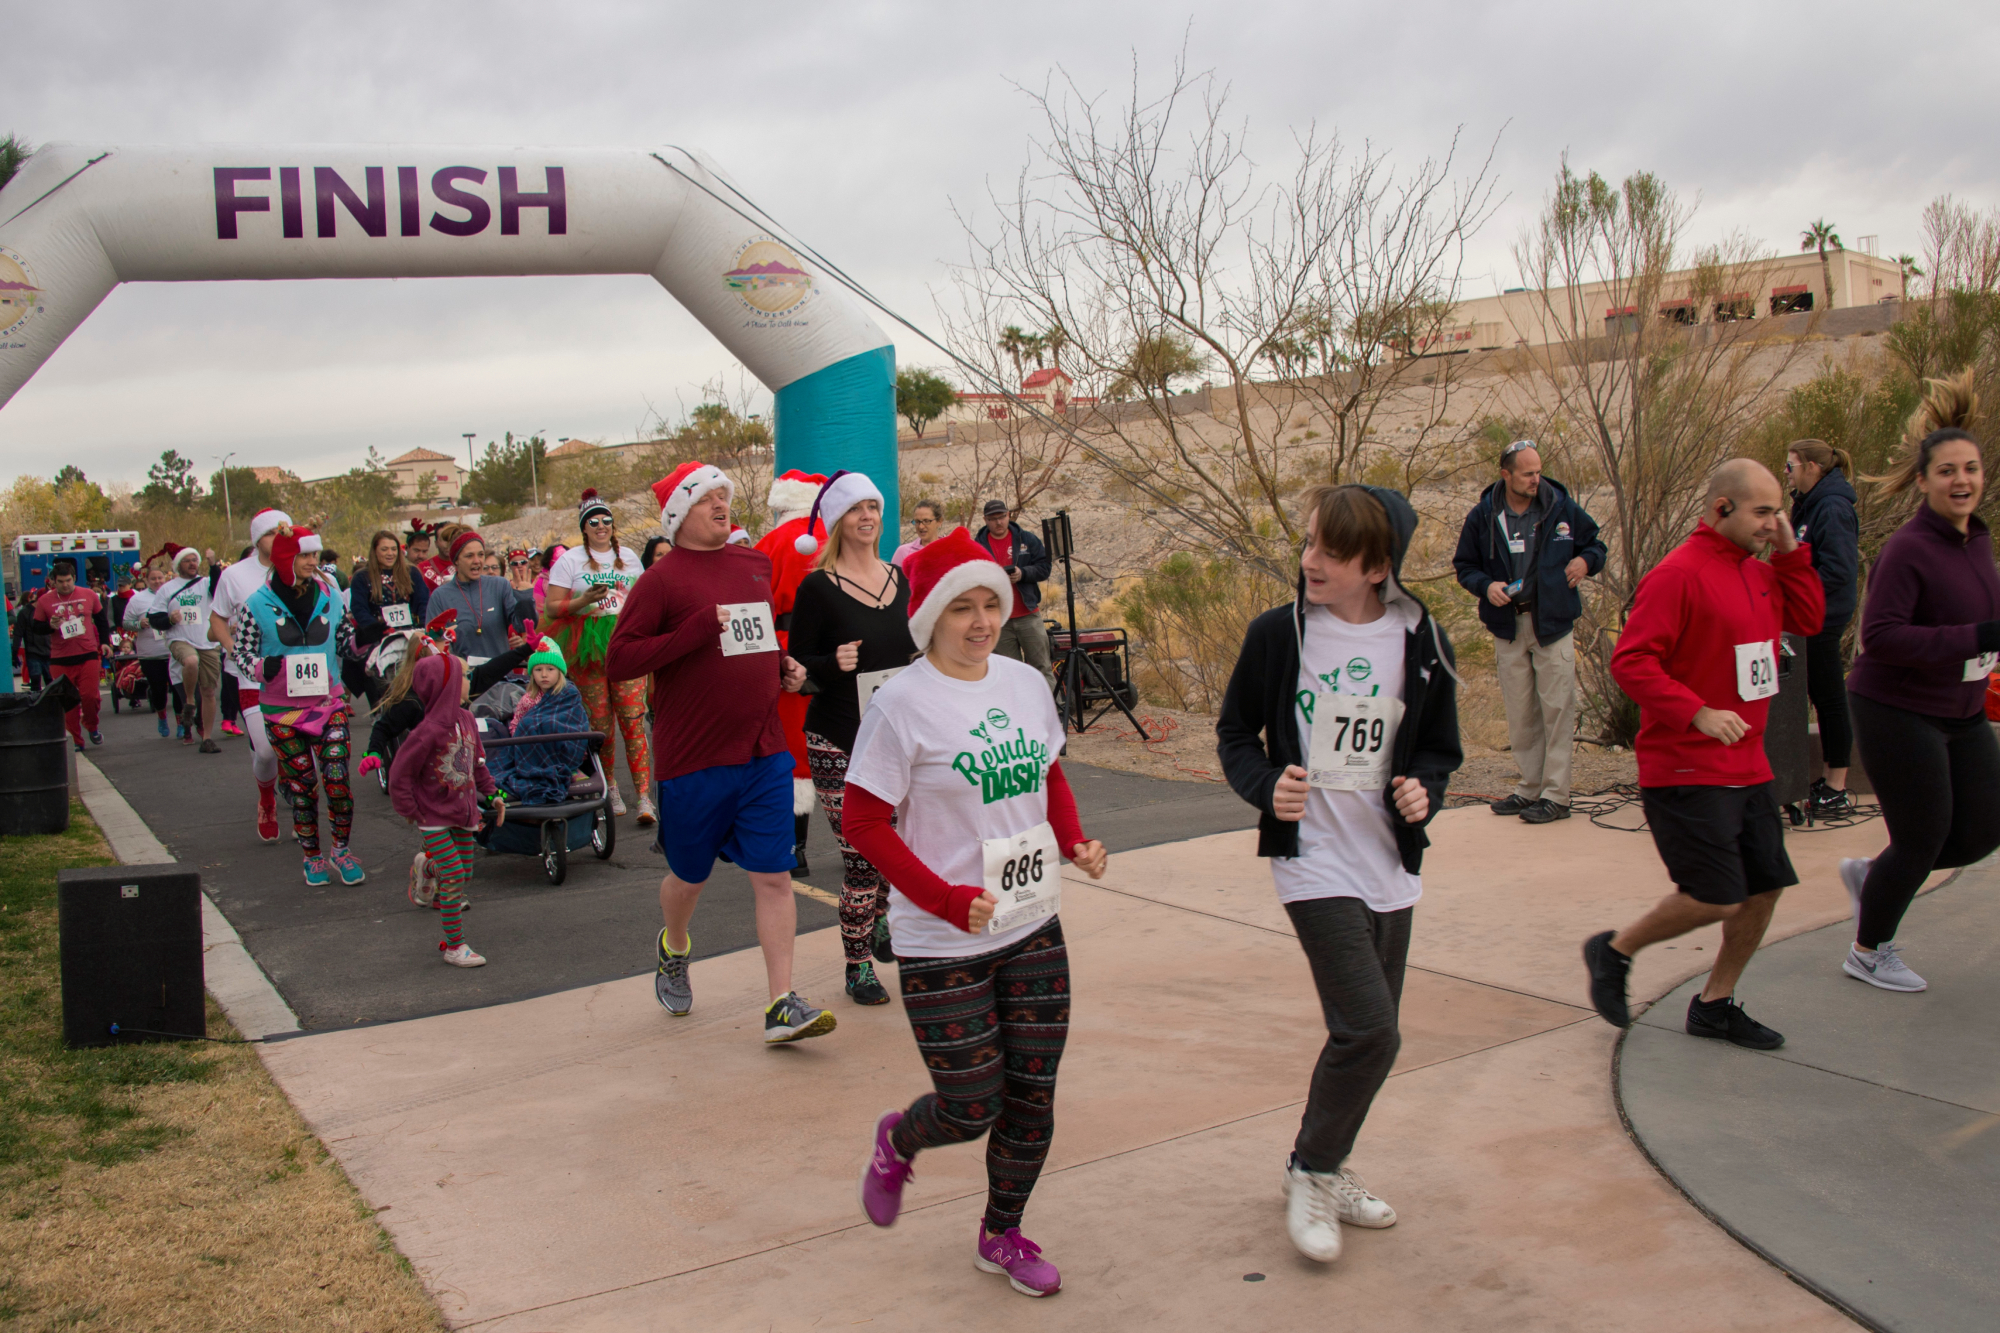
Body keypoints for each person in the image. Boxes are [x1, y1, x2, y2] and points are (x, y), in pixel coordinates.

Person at [843, 527, 1107, 1297]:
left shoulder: (1025, 683)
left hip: (1031, 922)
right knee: (971, 1103)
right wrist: (946, 899)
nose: (983, 619)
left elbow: (1047, 772)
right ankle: (901, 1137)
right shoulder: (901, 705)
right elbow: (861, 822)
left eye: (993, 601)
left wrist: (1075, 840)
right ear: (930, 615)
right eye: (964, 606)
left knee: (1032, 1092)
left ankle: (1002, 1231)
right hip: (941, 937)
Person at [1216, 484, 1461, 1265]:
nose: (1309, 560)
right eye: (1308, 542)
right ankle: (1315, 1172)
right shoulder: (1277, 635)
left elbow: (1438, 747)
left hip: (1388, 861)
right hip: (1313, 860)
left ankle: (1322, 1158)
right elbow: (1234, 735)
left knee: (1368, 1038)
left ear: (1379, 565)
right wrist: (1267, 787)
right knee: (1372, 1028)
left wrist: (1427, 789)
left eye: (1330, 549)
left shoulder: (1422, 640)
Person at [1582, 459, 1824, 1049]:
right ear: (1721, 509)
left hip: (1749, 767)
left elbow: (1812, 619)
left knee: (1763, 888)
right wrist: (1698, 711)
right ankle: (1615, 950)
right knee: (1717, 895)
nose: (1773, 523)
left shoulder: (1760, 571)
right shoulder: (1677, 574)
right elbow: (1632, 661)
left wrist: (1791, 552)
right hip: (1687, 768)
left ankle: (1715, 1004)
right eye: (1763, 512)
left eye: (1778, 512)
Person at [605, 460, 834, 1043]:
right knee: (689, 876)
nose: (721, 505)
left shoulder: (753, 564)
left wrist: (782, 666)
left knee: (775, 878)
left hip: (763, 751)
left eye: (724, 496)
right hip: (695, 758)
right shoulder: (661, 581)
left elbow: (753, 639)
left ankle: (781, 1002)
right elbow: (621, 659)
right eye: (707, 497)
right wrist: (693, 632)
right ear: (680, 513)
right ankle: (674, 945)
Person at [1838, 373, 2000, 993]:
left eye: (1972, 468)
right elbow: (1881, 638)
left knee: (1983, 829)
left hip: (1960, 710)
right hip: (1895, 707)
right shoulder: (1908, 548)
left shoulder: (1977, 540)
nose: (1962, 480)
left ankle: (1873, 877)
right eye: (1947, 471)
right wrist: (1982, 635)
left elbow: (1975, 629)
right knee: (1922, 833)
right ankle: (1868, 950)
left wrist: (1986, 646)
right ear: (1925, 480)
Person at [784, 471, 913, 1004]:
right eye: (856, 509)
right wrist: (831, 663)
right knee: (862, 855)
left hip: (898, 740)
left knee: (897, 848)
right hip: (838, 737)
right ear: (838, 520)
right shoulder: (818, 586)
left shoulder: (899, 579)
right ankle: (857, 965)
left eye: (873, 507)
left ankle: (879, 918)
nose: (867, 517)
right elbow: (796, 667)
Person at [1450, 439, 1604, 824]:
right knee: (1521, 714)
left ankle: (1557, 796)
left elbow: (1595, 544)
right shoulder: (1484, 515)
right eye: (1528, 473)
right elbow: (1465, 565)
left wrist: (1585, 562)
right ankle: (1529, 788)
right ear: (1506, 475)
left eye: (1538, 471)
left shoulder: (1561, 506)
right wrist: (1487, 587)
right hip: (1509, 624)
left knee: (1557, 710)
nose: (1537, 478)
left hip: (1551, 622)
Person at [226, 531, 365, 887]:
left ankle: (341, 850)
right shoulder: (257, 603)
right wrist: (260, 667)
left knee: (337, 779)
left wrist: (366, 638)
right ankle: (312, 857)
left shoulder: (331, 595)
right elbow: (240, 651)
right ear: (285, 560)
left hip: (328, 704)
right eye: (305, 556)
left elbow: (345, 644)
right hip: (281, 712)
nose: (312, 562)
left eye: (315, 555)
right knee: (303, 789)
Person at [544, 489, 655, 825]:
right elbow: (551, 607)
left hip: (624, 643)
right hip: (588, 647)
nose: (602, 525)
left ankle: (645, 798)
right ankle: (612, 790)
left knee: (634, 721)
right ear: (584, 527)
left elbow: (643, 602)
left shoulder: (631, 559)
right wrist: (584, 601)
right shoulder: (570, 560)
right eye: (594, 521)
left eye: (607, 519)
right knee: (601, 726)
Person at [388, 653, 505, 967]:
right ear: (449, 686)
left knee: (463, 873)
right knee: (453, 877)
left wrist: (493, 794)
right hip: (433, 817)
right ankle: (455, 946)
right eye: (465, 676)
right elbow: (399, 773)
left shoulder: (467, 720)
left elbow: (477, 763)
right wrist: (411, 810)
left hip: (464, 814)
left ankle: (424, 869)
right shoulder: (427, 731)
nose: (470, 681)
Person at [755, 469, 830, 877]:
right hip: (839, 646)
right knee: (846, 742)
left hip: (786, 644)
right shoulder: (837, 535)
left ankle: (794, 848)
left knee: (793, 750)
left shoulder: (769, 544)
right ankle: (860, 845)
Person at [1786, 439, 1861, 815]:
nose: (1788, 473)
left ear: (1812, 467)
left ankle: (1837, 785)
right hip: (1807, 614)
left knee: (1830, 697)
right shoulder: (1809, 504)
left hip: (1823, 616)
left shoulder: (1831, 508)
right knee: (1819, 695)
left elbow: (1838, 570)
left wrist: (1799, 586)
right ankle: (1829, 780)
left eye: (1791, 466)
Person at [211, 513, 293, 841]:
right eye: (270, 534)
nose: (277, 538)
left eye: (282, 532)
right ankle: (266, 798)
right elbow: (217, 619)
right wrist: (234, 649)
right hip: (251, 677)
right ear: (257, 539)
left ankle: (303, 813)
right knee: (266, 752)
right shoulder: (235, 575)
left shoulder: (299, 569)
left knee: (300, 752)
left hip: (295, 677)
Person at [485, 637, 590, 806]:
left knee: (552, 726)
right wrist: (523, 737)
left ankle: (569, 768)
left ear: (560, 672)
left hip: (563, 749)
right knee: (529, 726)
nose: (544, 674)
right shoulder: (528, 700)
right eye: (538, 670)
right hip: (534, 752)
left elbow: (577, 722)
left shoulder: (569, 694)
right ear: (532, 674)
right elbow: (517, 723)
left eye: (550, 669)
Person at [972, 500, 1055, 691]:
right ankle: (1021, 717)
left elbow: (1045, 568)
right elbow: (971, 578)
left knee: (1041, 668)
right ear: (985, 520)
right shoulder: (977, 546)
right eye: (993, 519)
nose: (998, 522)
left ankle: (1054, 715)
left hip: (1028, 614)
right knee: (1010, 674)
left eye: (1001, 517)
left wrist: (1023, 573)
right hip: (998, 620)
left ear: (1009, 515)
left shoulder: (1026, 539)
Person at [34, 557, 112, 747]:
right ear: (53, 581)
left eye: (68, 580)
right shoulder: (44, 600)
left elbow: (101, 621)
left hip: (87, 654)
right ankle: (77, 741)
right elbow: (36, 628)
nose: (65, 585)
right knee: (68, 702)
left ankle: (92, 726)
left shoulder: (88, 595)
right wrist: (50, 626)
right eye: (60, 582)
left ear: (74, 578)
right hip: (60, 658)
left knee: (90, 696)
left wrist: (104, 642)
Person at [349, 529, 432, 706]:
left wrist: (424, 628)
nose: (390, 553)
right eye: (384, 549)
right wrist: (374, 629)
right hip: (379, 636)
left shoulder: (412, 573)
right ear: (375, 551)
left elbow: (423, 601)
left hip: (411, 635)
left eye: (393, 549)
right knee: (380, 683)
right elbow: (359, 608)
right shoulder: (362, 578)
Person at [427, 530, 532, 665]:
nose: (477, 561)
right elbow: (433, 643)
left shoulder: (499, 585)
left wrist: (524, 598)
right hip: (463, 678)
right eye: (469, 556)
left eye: (480, 555)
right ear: (456, 561)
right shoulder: (440, 596)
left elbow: (523, 626)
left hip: (500, 675)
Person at [159, 545, 224, 752]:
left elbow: (218, 586)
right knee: (190, 660)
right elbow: (154, 618)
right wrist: (169, 618)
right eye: (187, 561)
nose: (192, 564)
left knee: (208, 691)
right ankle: (188, 701)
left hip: (206, 641)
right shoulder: (168, 588)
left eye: (194, 560)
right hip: (179, 639)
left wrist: (213, 564)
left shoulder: (205, 583)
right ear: (179, 565)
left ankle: (206, 738)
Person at [121, 562, 182, 738]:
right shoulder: (137, 599)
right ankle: (162, 716)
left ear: (166, 578)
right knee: (158, 690)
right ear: (146, 580)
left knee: (178, 688)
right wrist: (138, 624)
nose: (157, 581)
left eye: (160, 578)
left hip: (173, 651)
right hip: (150, 653)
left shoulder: (174, 595)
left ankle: (180, 724)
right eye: (153, 578)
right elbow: (125, 623)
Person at [890, 499, 942, 568]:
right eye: (917, 522)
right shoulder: (903, 552)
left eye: (926, 521)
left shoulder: (950, 550)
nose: (921, 526)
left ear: (939, 522)